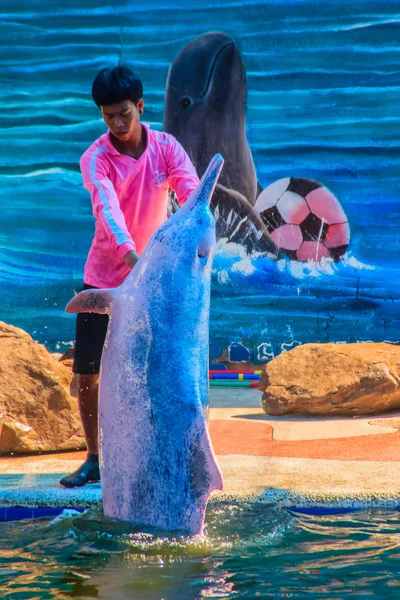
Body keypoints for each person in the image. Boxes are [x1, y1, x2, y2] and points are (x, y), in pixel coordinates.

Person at [60, 65, 199, 487]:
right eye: (108, 117)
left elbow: (190, 193)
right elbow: (108, 211)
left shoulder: (166, 147)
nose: (117, 124)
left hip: (154, 279)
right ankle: (95, 457)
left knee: (158, 367)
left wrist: (186, 244)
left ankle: (160, 452)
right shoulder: (95, 158)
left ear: (140, 106)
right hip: (105, 276)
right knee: (87, 371)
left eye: (124, 113)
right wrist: (130, 257)